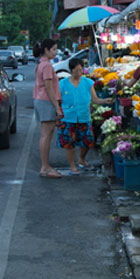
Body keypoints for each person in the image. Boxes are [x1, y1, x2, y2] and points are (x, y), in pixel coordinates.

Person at [58, 58, 114, 174]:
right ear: (71, 70)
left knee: (88, 140)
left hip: (84, 116)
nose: (79, 73)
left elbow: (95, 99)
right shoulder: (63, 84)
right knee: (69, 143)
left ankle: (82, 159)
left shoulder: (88, 83)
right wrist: (57, 115)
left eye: (81, 70)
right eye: (77, 70)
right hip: (68, 117)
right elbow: (57, 100)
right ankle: (72, 165)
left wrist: (104, 101)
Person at [33, 38, 63, 178]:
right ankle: (45, 167)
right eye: (54, 49)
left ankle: (46, 166)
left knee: (46, 134)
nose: (56, 52)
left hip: (42, 100)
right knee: (46, 135)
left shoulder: (43, 64)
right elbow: (49, 87)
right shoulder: (46, 66)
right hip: (46, 102)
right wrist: (57, 107)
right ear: (46, 50)